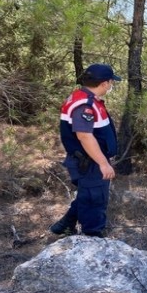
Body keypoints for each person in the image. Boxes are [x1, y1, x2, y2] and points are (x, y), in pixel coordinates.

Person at [50, 63, 121, 238]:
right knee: (94, 200)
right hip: (90, 162)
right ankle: (92, 238)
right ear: (104, 83)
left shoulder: (83, 97)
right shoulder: (85, 105)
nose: (111, 86)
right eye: (111, 82)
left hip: (90, 160)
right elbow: (85, 136)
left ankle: (63, 226)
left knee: (87, 194)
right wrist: (103, 163)